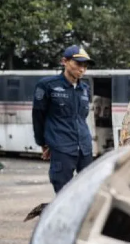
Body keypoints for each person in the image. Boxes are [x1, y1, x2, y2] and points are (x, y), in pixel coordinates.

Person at [32, 45, 94, 193]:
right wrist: (43, 143)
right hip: (61, 147)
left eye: (85, 66)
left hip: (85, 148)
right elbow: (38, 116)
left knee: (89, 190)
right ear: (64, 61)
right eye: (78, 64)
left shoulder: (85, 89)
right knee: (63, 192)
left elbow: (82, 118)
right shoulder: (47, 85)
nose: (82, 69)